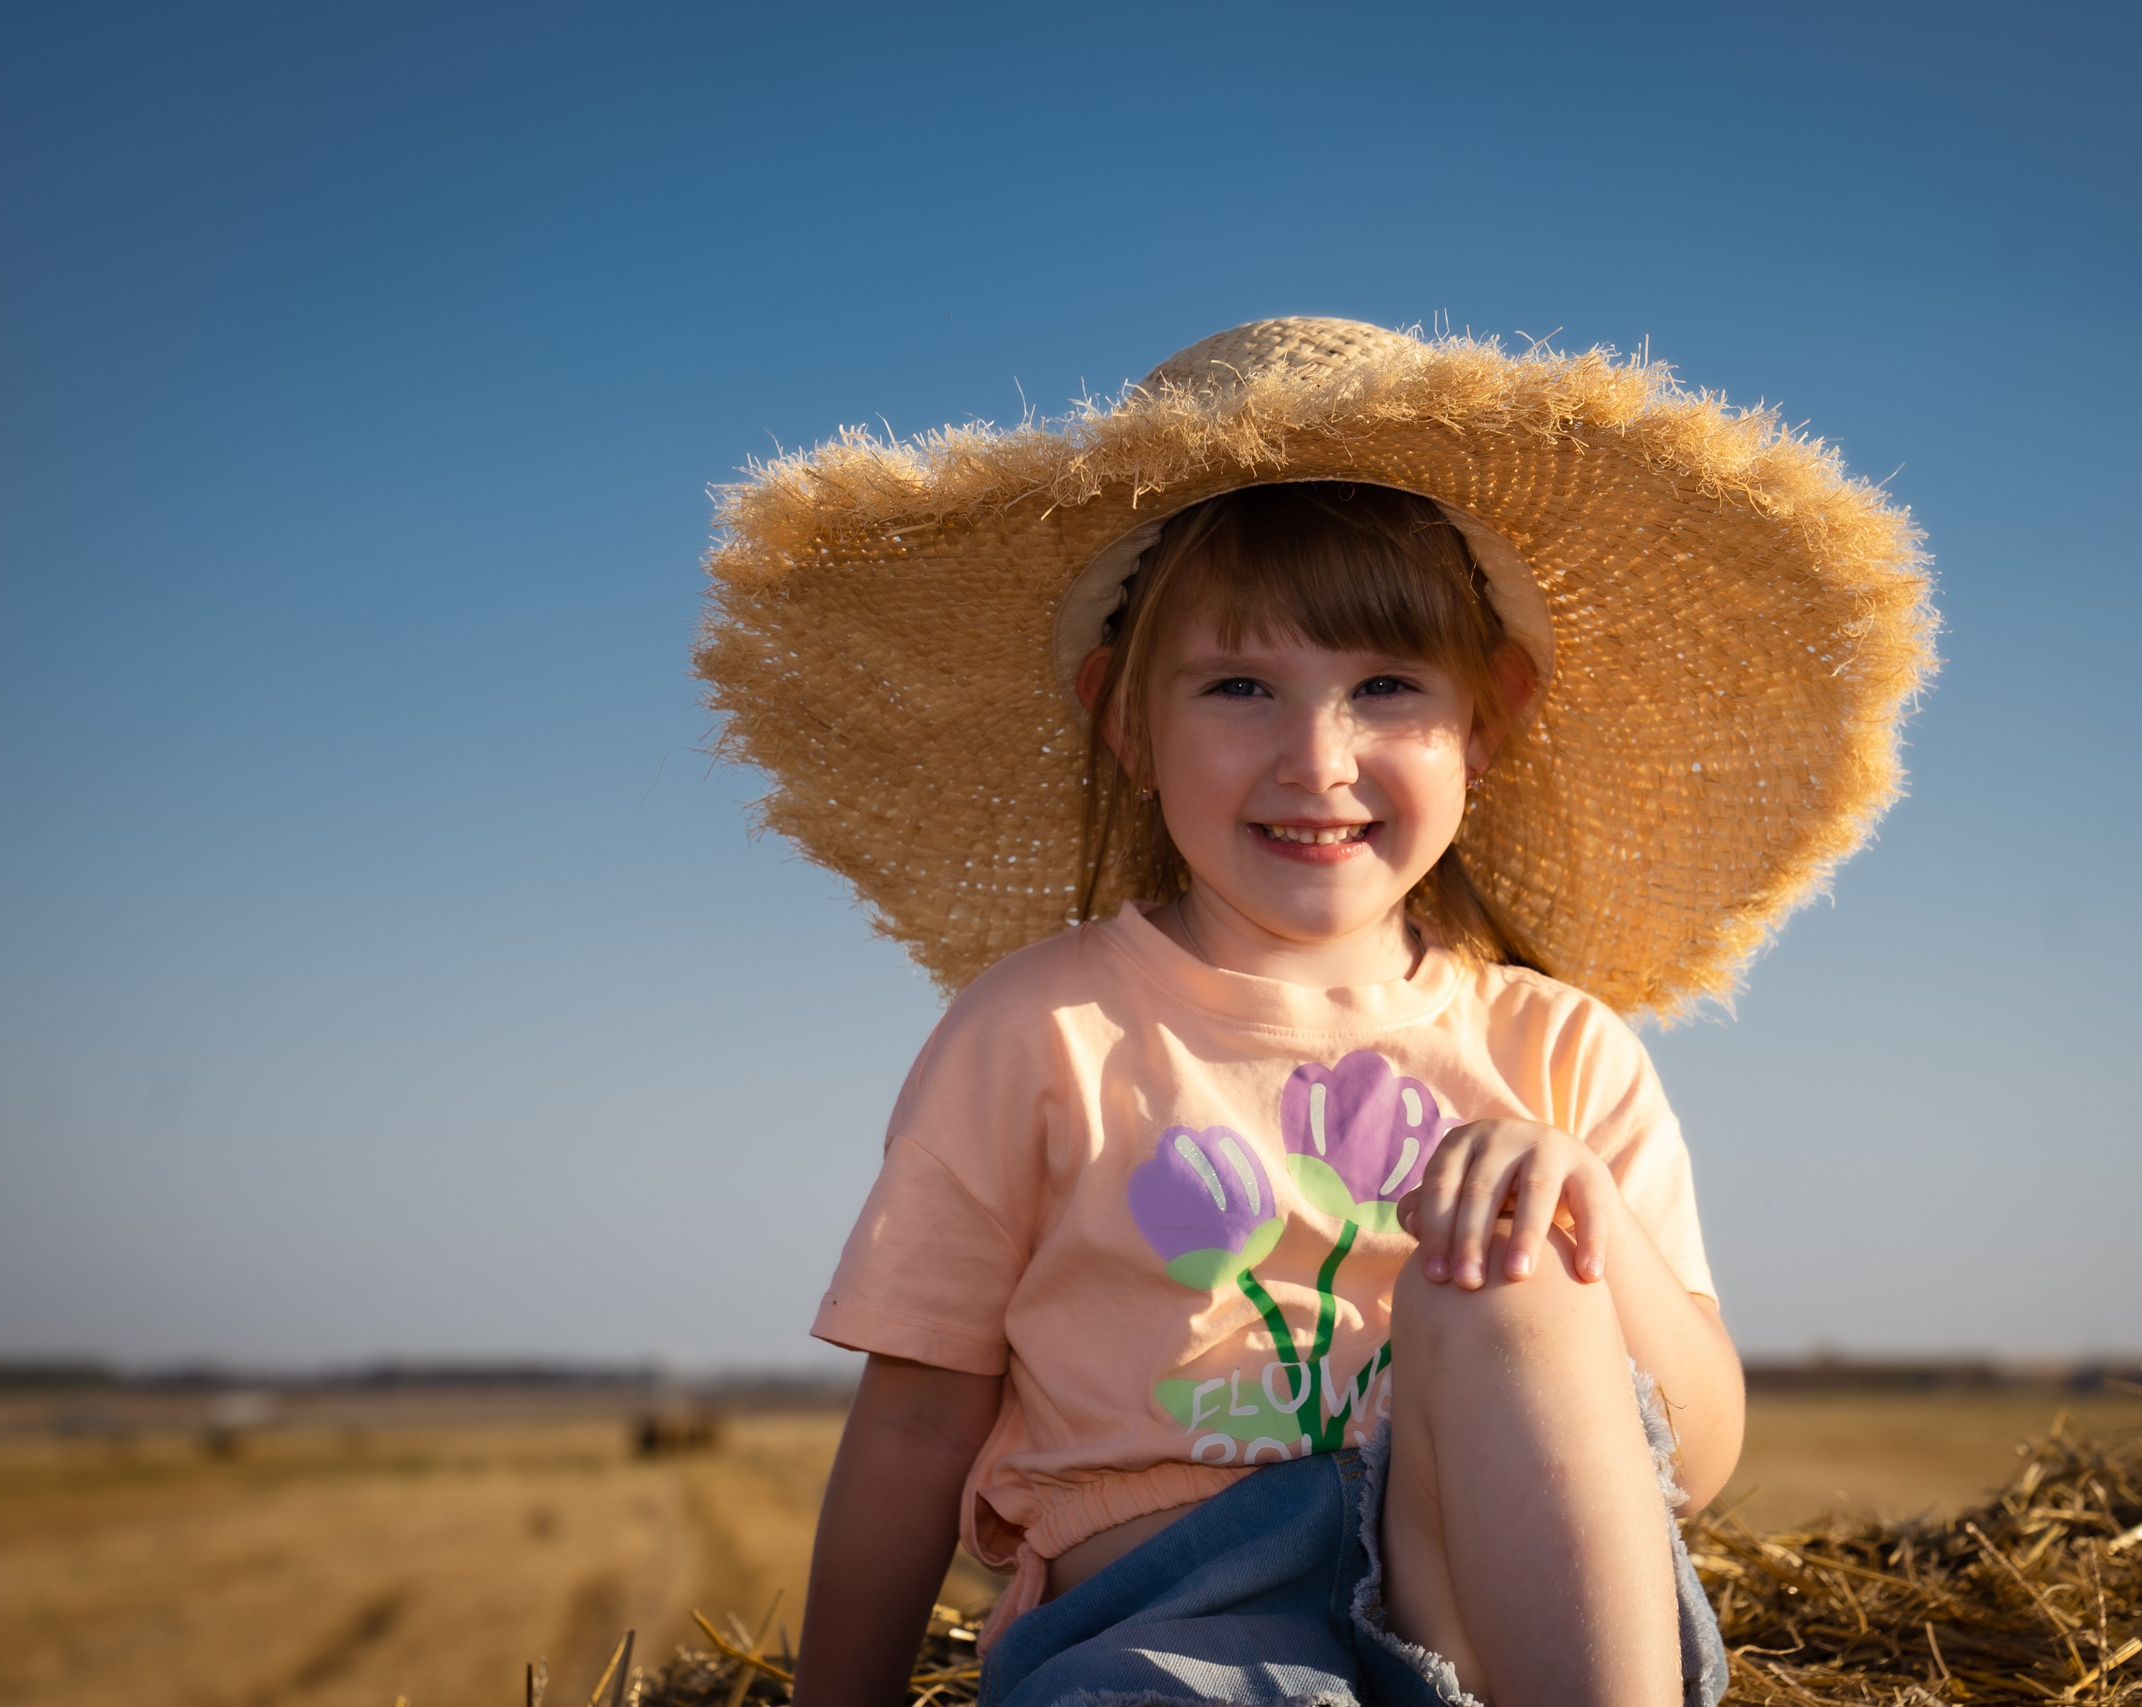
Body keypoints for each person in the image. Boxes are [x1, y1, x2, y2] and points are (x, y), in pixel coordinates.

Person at [696, 319, 1936, 1707]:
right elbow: (919, 1426)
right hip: (1170, 1629)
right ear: (1125, 720)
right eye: (1240, 687)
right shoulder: (1041, 1035)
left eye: (1386, 686)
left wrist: (1585, 1221)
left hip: (1496, 1615)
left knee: (1512, 1270)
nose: (1316, 758)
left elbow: (1693, 1465)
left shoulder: (1562, 1054)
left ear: (1487, 716)